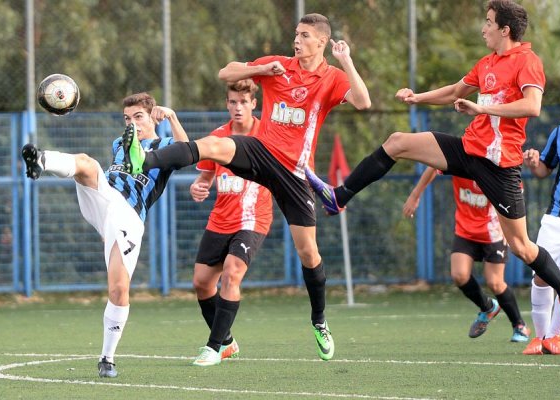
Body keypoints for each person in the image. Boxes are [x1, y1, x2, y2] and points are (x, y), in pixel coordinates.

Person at [305, 0, 560, 334]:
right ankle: (340, 196)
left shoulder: (528, 61)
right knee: (397, 141)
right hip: (469, 149)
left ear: (505, 30)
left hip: (499, 165)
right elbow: (455, 91)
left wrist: (481, 109)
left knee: (521, 246)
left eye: (488, 22)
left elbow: (532, 106)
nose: (483, 28)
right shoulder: (487, 63)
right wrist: (417, 97)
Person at [122, 13, 371, 361]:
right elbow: (226, 73)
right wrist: (262, 69)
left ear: (322, 42)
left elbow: (363, 101)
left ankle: (319, 320)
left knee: (308, 253)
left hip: (295, 173)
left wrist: (346, 60)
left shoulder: (330, 77)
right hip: (261, 152)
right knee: (212, 145)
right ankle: (143, 161)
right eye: (296, 34)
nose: (297, 40)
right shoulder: (278, 65)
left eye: (304, 35)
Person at [21, 93, 188, 377]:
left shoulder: (165, 147)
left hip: (128, 215)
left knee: (119, 289)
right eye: (127, 118)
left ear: (153, 118)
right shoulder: (119, 143)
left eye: (138, 117)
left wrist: (171, 116)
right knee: (86, 164)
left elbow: (186, 150)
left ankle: (107, 358)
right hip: (105, 197)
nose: (132, 123)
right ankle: (41, 160)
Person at [190, 79, 273, 366]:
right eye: (233, 102)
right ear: (227, 104)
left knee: (232, 272)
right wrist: (198, 186)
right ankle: (226, 342)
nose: (238, 107)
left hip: (253, 218)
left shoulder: (268, 135)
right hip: (220, 220)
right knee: (202, 283)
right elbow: (205, 176)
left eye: (243, 102)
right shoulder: (218, 137)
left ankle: (213, 347)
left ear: (254, 104)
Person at [403, 167, 530, 342]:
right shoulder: (460, 163)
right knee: (459, 275)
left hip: (494, 232)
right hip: (465, 231)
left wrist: (510, 228)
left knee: (495, 282)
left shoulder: (497, 168)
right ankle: (488, 307)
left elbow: (515, 194)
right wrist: (415, 195)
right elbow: (432, 167)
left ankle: (519, 325)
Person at [521, 120, 560, 355]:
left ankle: (554, 337)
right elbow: (543, 169)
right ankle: (539, 337)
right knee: (542, 278)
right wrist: (534, 163)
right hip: (556, 219)